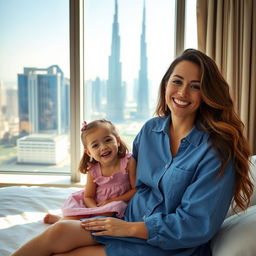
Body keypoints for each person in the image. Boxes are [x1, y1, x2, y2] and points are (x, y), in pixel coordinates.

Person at [11, 49, 254, 256]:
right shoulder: (150, 130)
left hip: (172, 245)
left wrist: (127, 229)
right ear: (166, 83)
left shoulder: (216, 151)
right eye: (177, 81)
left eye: (195, 86)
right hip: (128, 220)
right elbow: (130, 177)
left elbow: (196, 224)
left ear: (207, 95)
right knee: (60, 232)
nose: (182, 93)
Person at [44, 119, 137, 224]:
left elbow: (135, 190)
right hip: (95, 205)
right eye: (95, 145)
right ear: (89, 152)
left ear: (118, 141)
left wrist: (112, 202)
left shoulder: (129, 162)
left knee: (114, 208)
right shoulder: (93, 170)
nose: (103, 147)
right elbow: (88, 196)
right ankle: (62, 221)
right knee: (76, 210)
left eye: (108, 140)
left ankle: (80, 223)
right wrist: (95, 209)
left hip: (118, 204)